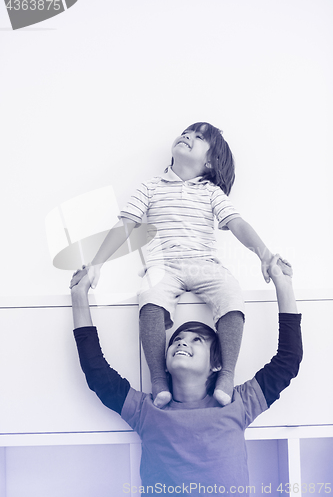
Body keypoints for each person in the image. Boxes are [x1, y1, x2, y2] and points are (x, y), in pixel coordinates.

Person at [70, 122, 292, 408]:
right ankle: (159, 379)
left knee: (231, 293)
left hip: (204, 263)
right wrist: (97, 263)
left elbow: (237, 224)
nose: (188, 136)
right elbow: (125, 225)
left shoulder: (210, 192)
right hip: (165, 265)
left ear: (209, 162)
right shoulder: (151, 187)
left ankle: (226, 373)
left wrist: (265, 255)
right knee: (149, 297)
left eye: (199, 137)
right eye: (187, 132)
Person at [71, 255, 302, 495]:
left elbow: (288, 361)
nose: (182, 343)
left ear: (216, 364)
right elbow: (96, 371)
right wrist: (79, 295)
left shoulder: (238, 403)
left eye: (196, 340)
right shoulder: (147, 410)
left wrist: (283, 284)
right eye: (177, 339)